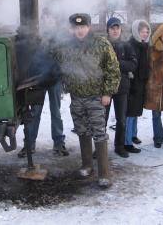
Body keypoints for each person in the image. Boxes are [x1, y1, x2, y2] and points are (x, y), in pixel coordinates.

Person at [44, 13, 120, 188]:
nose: (80, 31)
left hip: (96, 98)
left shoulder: (101, 44)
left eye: (83, 27)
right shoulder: (66, 45)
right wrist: (39, 35)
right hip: (76, 97)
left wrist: (108, 92)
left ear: (89, 27)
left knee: (99, 133)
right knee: (82, 131)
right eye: (76, 28)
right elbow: (49, 50)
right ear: (72, 29)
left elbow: (113, 70)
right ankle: (87, 166)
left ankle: (104, 174)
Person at [17, 8, 68, 158]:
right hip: (38, 78)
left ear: (56, 18)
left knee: (56, 112)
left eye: (53, 16)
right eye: (47, 16)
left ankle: (59, 143)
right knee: (35, 113)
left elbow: (64, 55)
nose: (50, 19)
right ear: (43, 18)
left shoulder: (62, 34)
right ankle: (29, 144)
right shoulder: (36, 34)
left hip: (55, 78)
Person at [104, 17, 138, 158]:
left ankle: (119, 146)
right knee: (102, 120)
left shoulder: (127, 47)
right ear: (108, 30)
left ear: (120, 29)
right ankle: (100, 147)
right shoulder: (102, 45)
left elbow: (133, 65)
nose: (115, 30)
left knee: (121, 120)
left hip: (122, 88)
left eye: (117, 28)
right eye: (113, 28)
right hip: (104, 88)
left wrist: (117, 63)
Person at [125, 19, 151, 153]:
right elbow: (128, 65)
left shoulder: (144, 45)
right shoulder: (130, 45)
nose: (144, 34)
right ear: (136, 31)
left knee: (136, 112)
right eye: (142, 32)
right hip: (131, 84)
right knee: (129, 113)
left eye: (146, 32)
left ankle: (133, 135)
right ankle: (127, 142)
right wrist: (131, 79)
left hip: (140, 83)